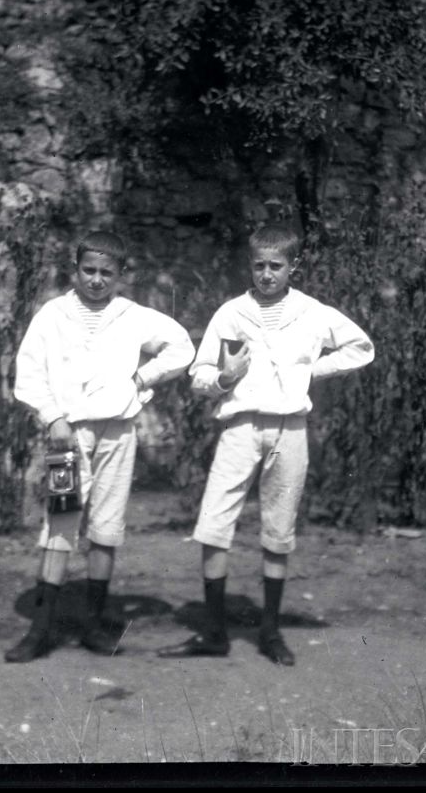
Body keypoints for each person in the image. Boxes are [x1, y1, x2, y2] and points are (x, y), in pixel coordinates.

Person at [159, 223, 374, 666]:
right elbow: (199, 375)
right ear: (250, 266)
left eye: (276, 266)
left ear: (293, 266)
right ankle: (215, 632)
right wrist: (224, 377)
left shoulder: (313, 312)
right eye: (259, 265)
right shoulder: (232, 313)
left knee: (278, 528)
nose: (267, 274)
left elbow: (361, 347)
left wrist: (312, 370)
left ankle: (271, 631)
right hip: (241, 426)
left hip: (290, 428)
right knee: (214, 524)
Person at [6, 229, 195, 663]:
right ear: (75, 270)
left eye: (106, 273)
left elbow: (180, 347)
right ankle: (41, 631)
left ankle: (93, 623)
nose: (96, 280)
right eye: (88, 270)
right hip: (68, 435)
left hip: (118, 432)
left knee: (106, 527)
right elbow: (29, 372)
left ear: (120, 276)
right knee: (61, 520)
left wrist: (141, 378)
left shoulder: (132, 316)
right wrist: (52, 416)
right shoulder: (52, 316)